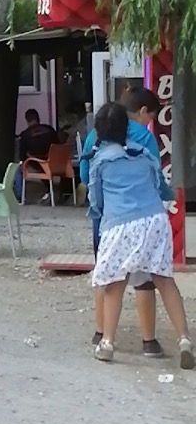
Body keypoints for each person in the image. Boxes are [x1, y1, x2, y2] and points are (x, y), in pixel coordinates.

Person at [87, 99, 193, 366]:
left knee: (114, 284)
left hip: (120, 223)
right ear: (126, 127)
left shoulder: (100, 161)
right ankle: (184, 340)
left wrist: (101, 218)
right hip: (155, 221)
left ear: (99, 130)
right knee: (164, 281)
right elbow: (161, 187)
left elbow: (95, 200)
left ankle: (108, 342)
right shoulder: (143, 153)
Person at [80, 87, 166, 356]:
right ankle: (149, 341)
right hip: (143, 217)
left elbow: (85, 175)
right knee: (145, 277)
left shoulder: (95, 135)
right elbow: (155, 179)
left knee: (105, 274)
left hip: (107, 217)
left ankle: (102, 333)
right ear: (141, 112)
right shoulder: (146, 138)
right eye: (149, 117)